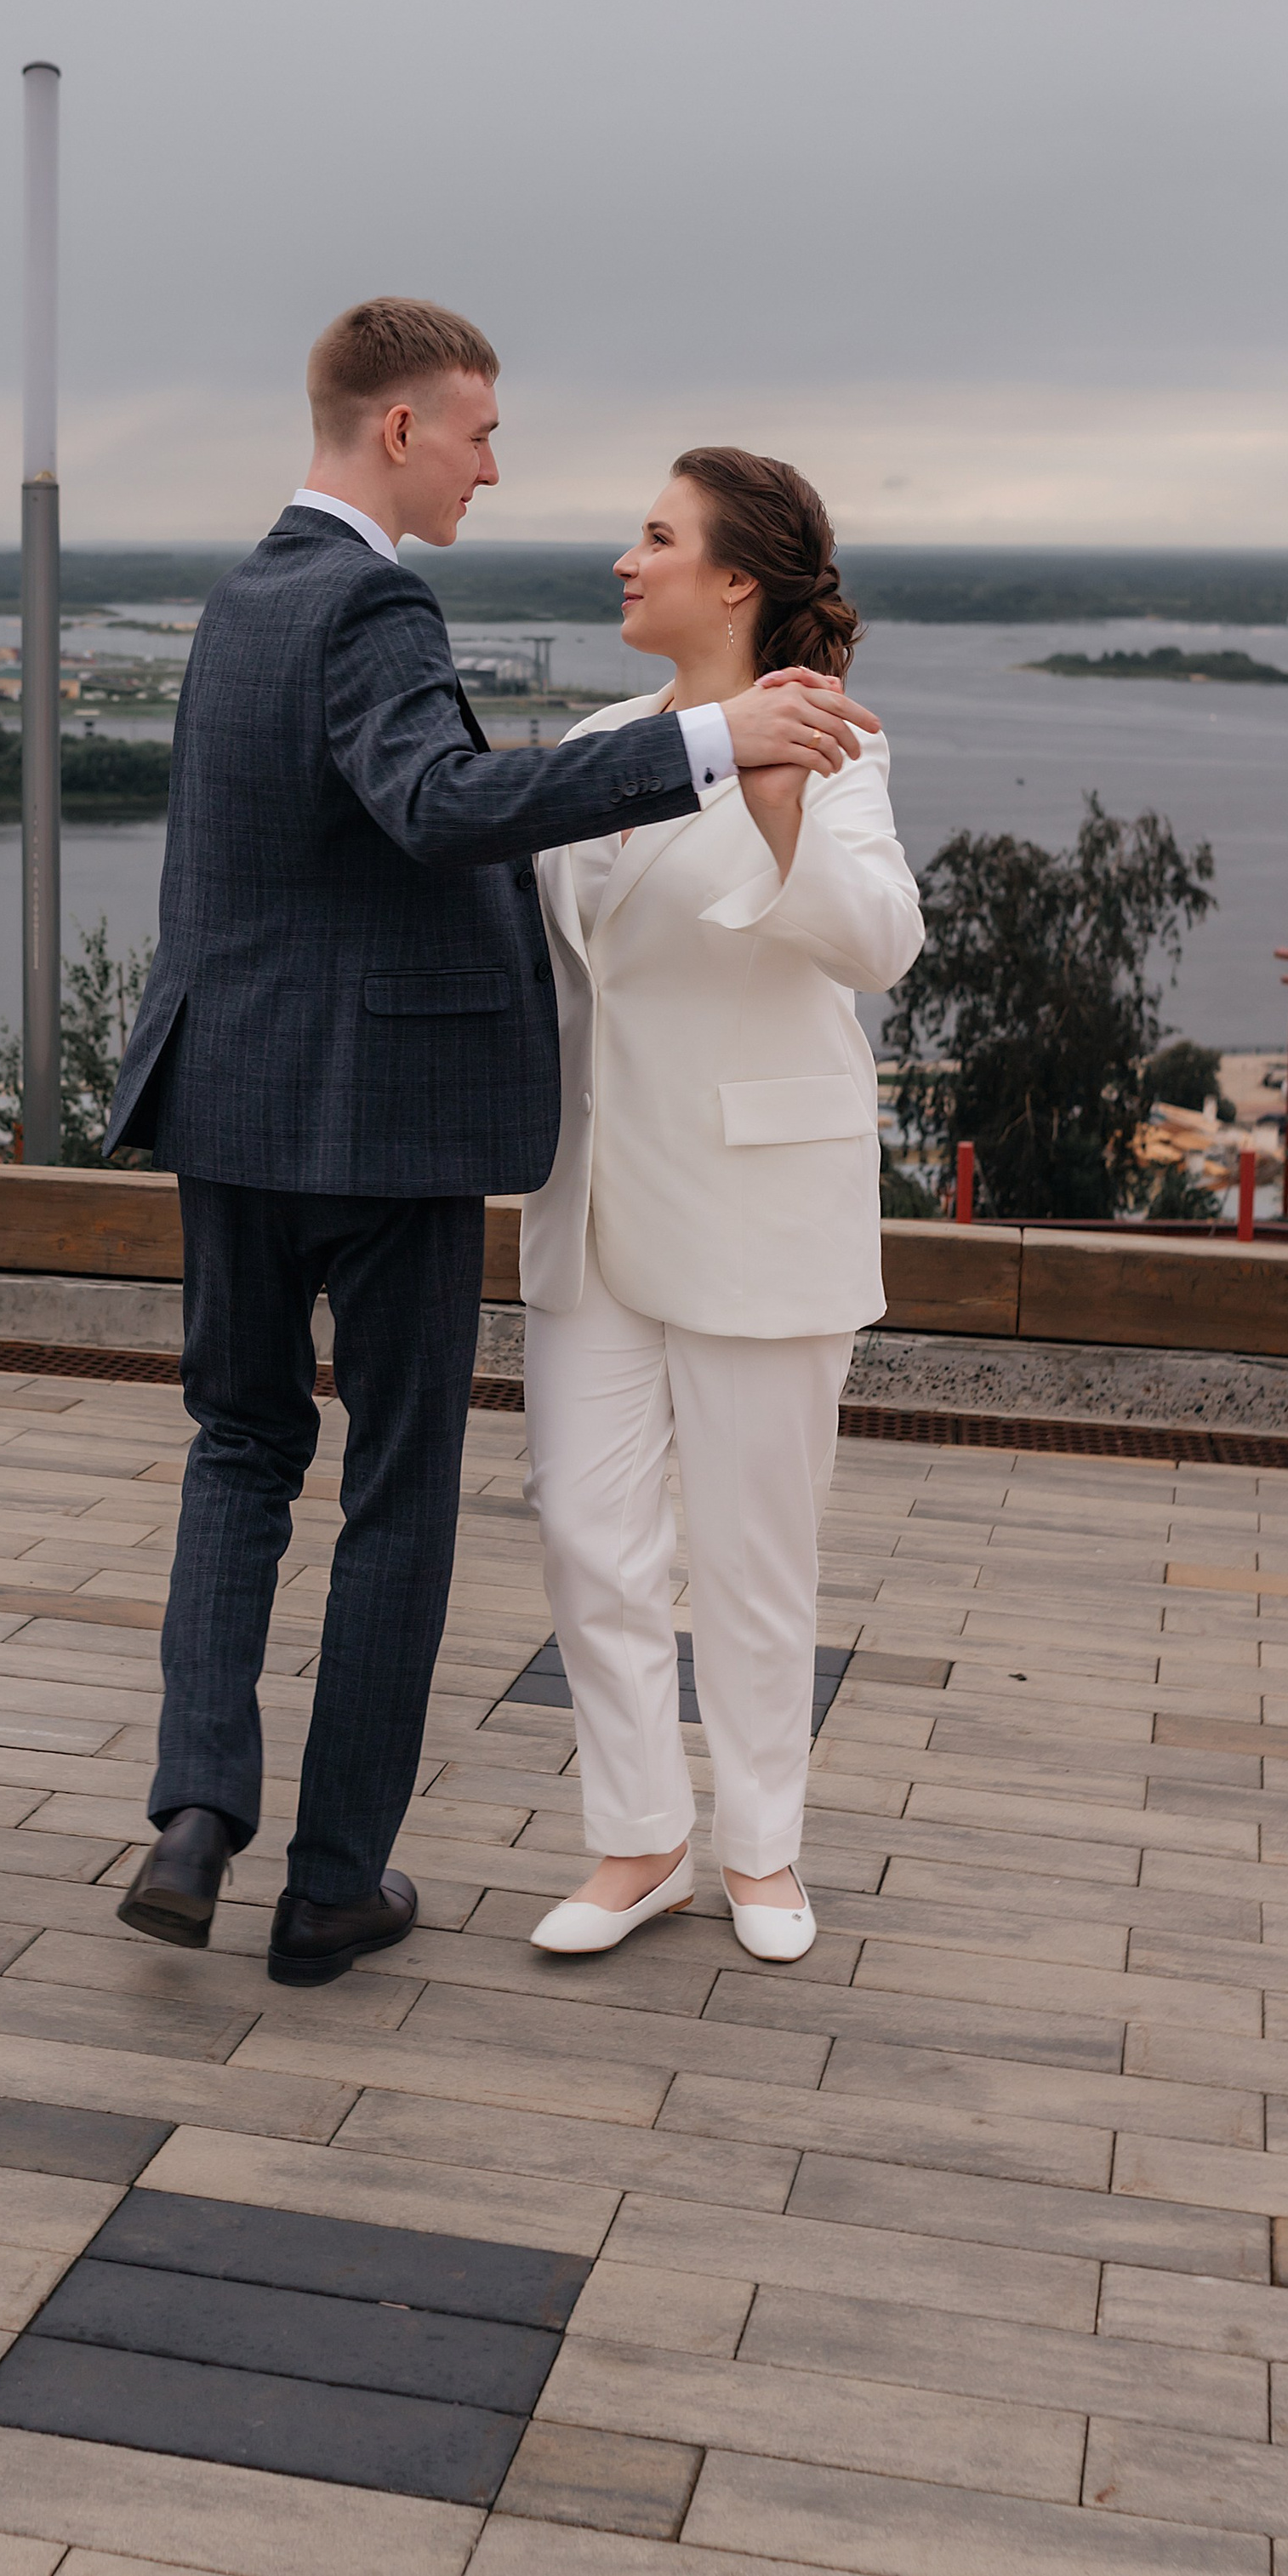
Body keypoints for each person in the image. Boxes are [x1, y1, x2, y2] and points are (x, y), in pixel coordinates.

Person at [105, 304, 882, 1986]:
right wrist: (701, 745)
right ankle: (329, 1886)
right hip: (383, 1132)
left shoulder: (236, 601)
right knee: (398, 1490)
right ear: (398, 434)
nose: (494, 464)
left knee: (239, 1450)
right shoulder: (379, 599)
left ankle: (191, 1810)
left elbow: (273, 855)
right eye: (477, 433)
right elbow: (436, 809)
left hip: (229, 1109)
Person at [520, 450, 922, 1964]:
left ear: (736, 578)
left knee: (756, 1554)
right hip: (592, 1201)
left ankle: (765, 1853)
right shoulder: (604, 740)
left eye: (657, 537)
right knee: (588, 1536)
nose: (626, 561)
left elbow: (882, 941)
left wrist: (778, 813)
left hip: (760, 1200)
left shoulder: (833, 742)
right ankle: (639, 1840)